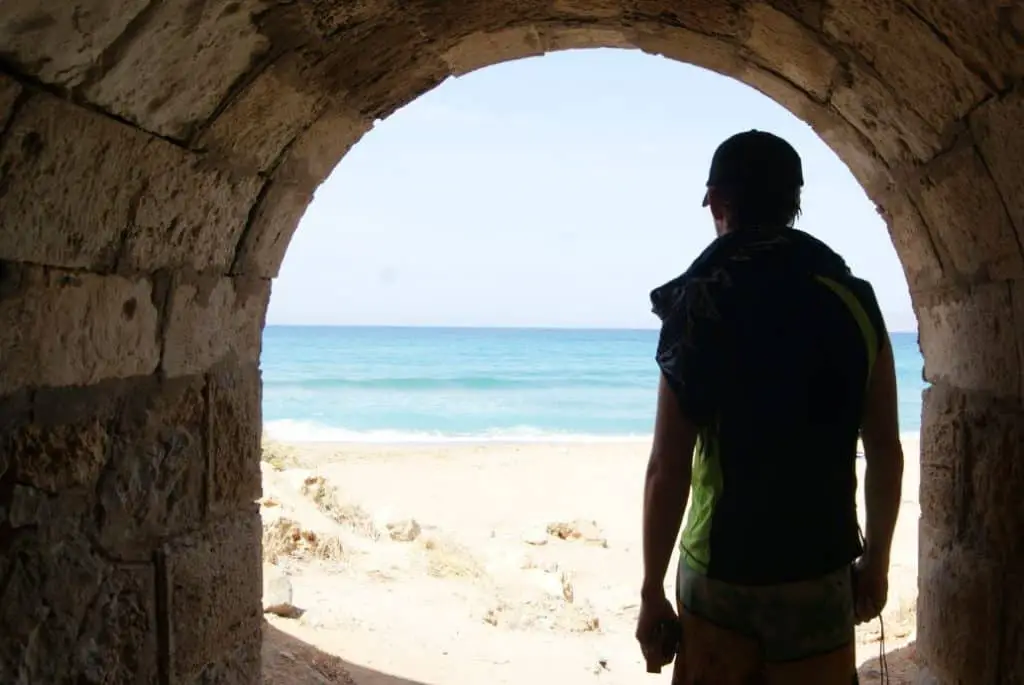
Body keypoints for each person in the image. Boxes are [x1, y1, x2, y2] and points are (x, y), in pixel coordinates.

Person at [634, 130, 905, 684]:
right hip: (818, 568)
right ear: (794, 204)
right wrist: (875, 563)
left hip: (720, 572)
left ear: (718, 203)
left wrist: (651, 591)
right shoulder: (856, 299)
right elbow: (883, 450)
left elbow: (668, 467)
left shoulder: (699, 302)